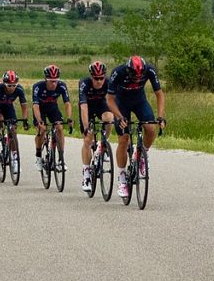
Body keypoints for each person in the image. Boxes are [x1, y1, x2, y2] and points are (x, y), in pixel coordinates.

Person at [106, 55, 166, 199]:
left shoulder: (149, 70)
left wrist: (161, 116)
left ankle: (141, 155)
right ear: (128, 71)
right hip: (121, 104)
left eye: (141, 77)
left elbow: (160, 94)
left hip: (139, 101)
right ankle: (121, 179)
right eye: (135, 77)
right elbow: (109, 99)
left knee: (151, 128)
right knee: (124, 138)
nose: (138, 79)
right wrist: (119, 117)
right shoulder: (118, 72)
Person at [78, 61, 114, 192]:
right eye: (96, 78)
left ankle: (104, 143)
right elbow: (83, 107)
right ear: (91, 76)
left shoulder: (109, 82)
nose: (99, 81)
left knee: (110, 118)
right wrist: (87, 126)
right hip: (87, 107)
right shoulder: (84, 84)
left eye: (101, 78)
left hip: (101, 105)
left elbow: (115, 101)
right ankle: (86, 174)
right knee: (88, 140)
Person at [31, 65, 72, 172]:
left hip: (53, 108)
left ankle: (60, 159)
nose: (54, 83)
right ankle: (38, 156)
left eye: (56, 81)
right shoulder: (37, 87)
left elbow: (67, 103)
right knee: (42, 129)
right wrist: (39, 120)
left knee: (59, 128)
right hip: (40, 109)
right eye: (51, 81)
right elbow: (35, 105)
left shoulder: (62, 86)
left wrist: (69, 118)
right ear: (46, 79)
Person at [0, 70, 29, 161]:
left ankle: (14, 156)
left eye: (14, 85)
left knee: (13, 129)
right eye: (9, 85)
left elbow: (24, 106)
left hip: (8, 106)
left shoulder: (19, 89)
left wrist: (25, 120)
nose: (12, 88)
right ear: (4, 84)